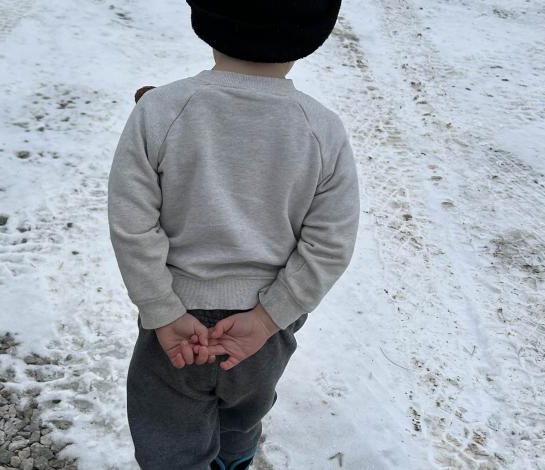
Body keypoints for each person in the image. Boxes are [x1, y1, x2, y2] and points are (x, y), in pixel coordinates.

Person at [106, 1, 359, 468]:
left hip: (176, 332)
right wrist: (267, 318)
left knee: (169, 433)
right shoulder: (322, 130)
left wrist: (162, 310)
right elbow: (330, 243)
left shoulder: (161, 110)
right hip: (265, 331)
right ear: (316, 32)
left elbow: (132, 224)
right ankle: (235, 460)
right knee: (243, 414)